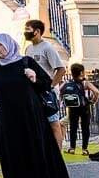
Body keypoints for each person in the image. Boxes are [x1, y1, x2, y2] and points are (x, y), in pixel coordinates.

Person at [0, 33, 74, 178]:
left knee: (34, 150)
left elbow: (46, 84)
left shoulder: (26, 62)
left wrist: (34, 77)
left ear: (9, 45)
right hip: (7, 118)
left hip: (30, 116)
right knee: (13, 154)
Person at [23, 19, 67, 147]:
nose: (25, 32)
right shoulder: (28, 48)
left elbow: (61, 69)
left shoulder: (48, 48)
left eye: (28, 29)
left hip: (46, 91)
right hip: (34, 89)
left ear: (37, 31)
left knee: (53, 123)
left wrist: (51, 86)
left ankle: (58, 152)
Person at [61, 63, 99, 155]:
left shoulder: (67, 82)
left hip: (72, 107)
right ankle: (84, 149)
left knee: (73, 127)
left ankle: (72, 148)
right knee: (85, 127)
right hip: (84, 107)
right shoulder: (85, 83)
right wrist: (93, 101)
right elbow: (97, 92)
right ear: (82, 72)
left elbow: (61, 89)